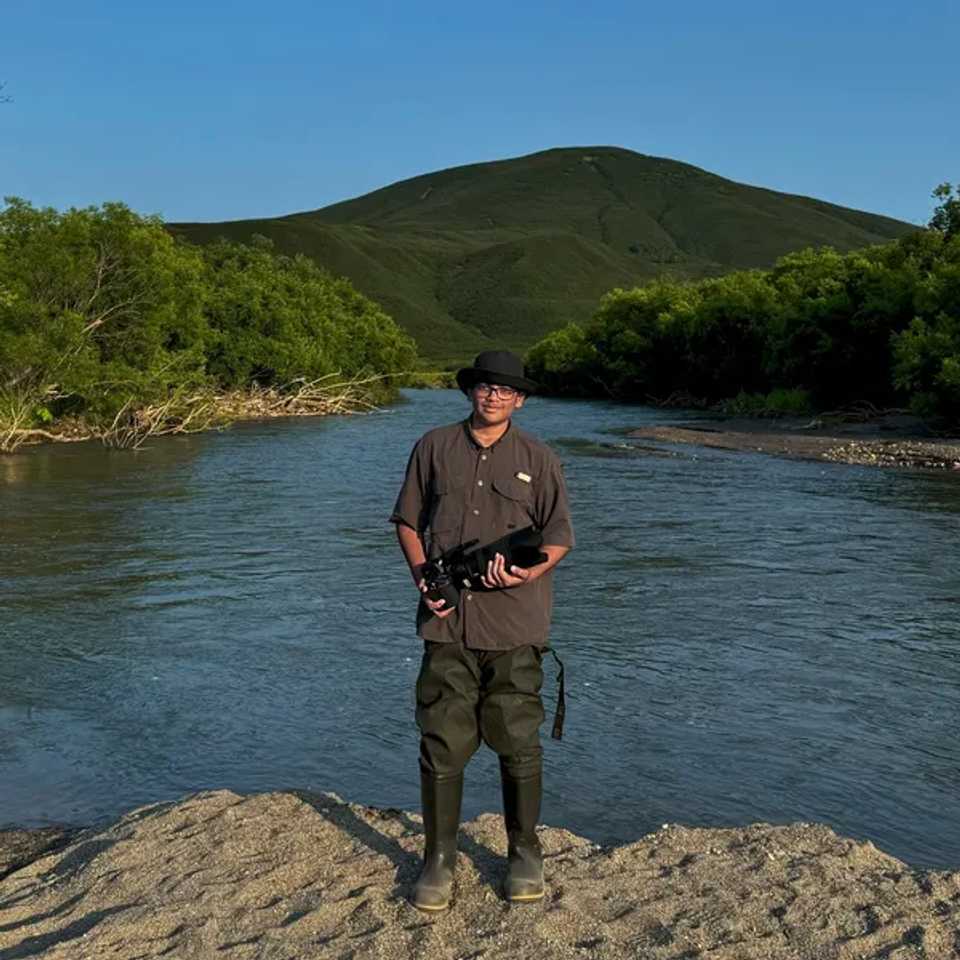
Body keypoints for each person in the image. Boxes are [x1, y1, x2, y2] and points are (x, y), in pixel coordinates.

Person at [390, 349, 575, 911]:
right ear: (471, 392)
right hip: (446, 621)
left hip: (516, 622)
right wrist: (423, 578)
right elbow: (406, 520)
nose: (493, 395)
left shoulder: (539, 459)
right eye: (485, 387)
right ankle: (438, 860)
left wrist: (524, 570)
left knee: (517, 736)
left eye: (505, 389)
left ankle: (524, 852)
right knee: (441, 740)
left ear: (519, 399)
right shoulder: (433, 447)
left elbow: (560, 538)